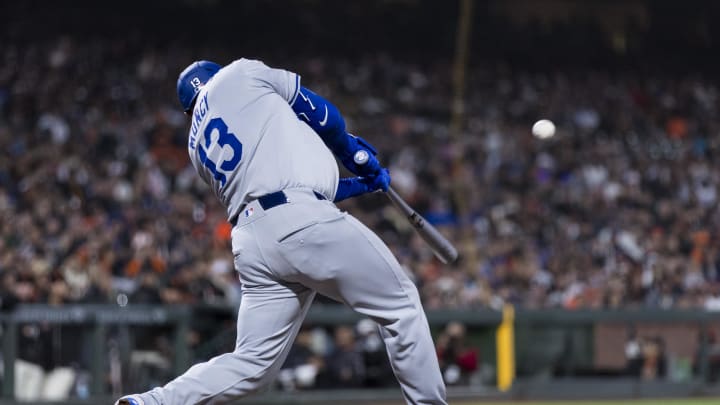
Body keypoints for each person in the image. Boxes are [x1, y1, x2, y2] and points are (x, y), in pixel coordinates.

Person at [115, 58, 447, 404]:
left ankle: (152, 402)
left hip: (254, 242)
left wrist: (356, 185)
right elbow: (319, 112)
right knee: (401, 304)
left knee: (252, 364)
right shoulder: (238, 73)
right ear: (215, 74)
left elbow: (285, 181)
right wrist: (349, 150)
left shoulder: (196, 145)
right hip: (301, 222)